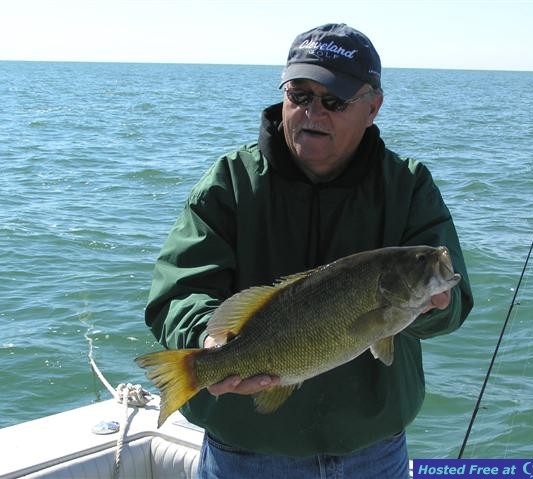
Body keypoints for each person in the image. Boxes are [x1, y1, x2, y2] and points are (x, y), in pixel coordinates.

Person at [144, 23, 474, 479]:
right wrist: (207, 338)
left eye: (334, 101)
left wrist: (435, 307)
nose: (312, 112)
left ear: (373, 107)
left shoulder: (408, 185)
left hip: (372, 450)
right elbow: (178, 291)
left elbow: (454, 304)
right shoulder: (230, 182)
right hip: (246, 451)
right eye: (299, 95)